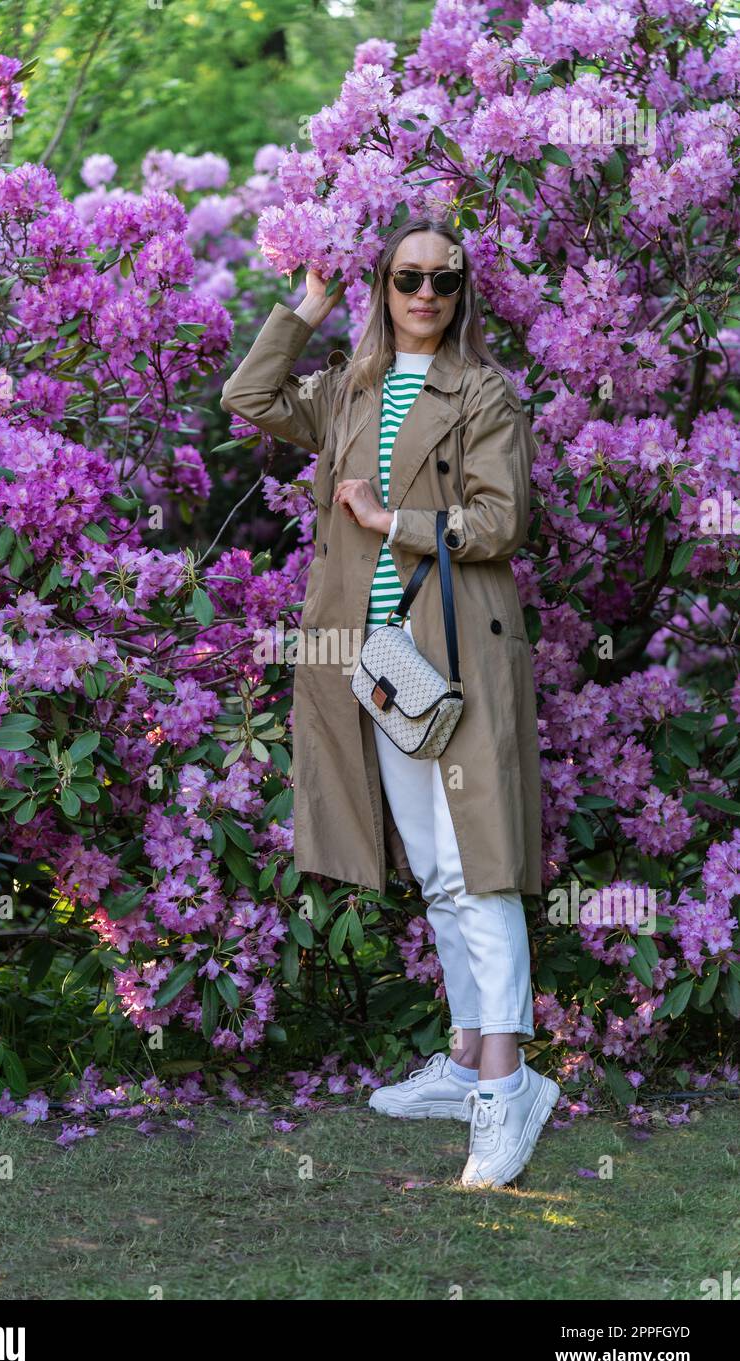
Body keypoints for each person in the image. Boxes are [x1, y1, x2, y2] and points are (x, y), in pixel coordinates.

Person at [221, 217, 559, 1188]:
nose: (424, 293)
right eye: (406, 276)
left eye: (442, 280)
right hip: (374, 664)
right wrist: (304, 308)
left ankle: (506, 1084)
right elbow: (247, 394)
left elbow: (501, 521)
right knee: (438, 870)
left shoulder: (482, 392)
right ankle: (463, 1061)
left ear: (460, 294)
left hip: (451, 653)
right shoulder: (346, 388)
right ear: (381, 283)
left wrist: (392, 519)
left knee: (478, 866)